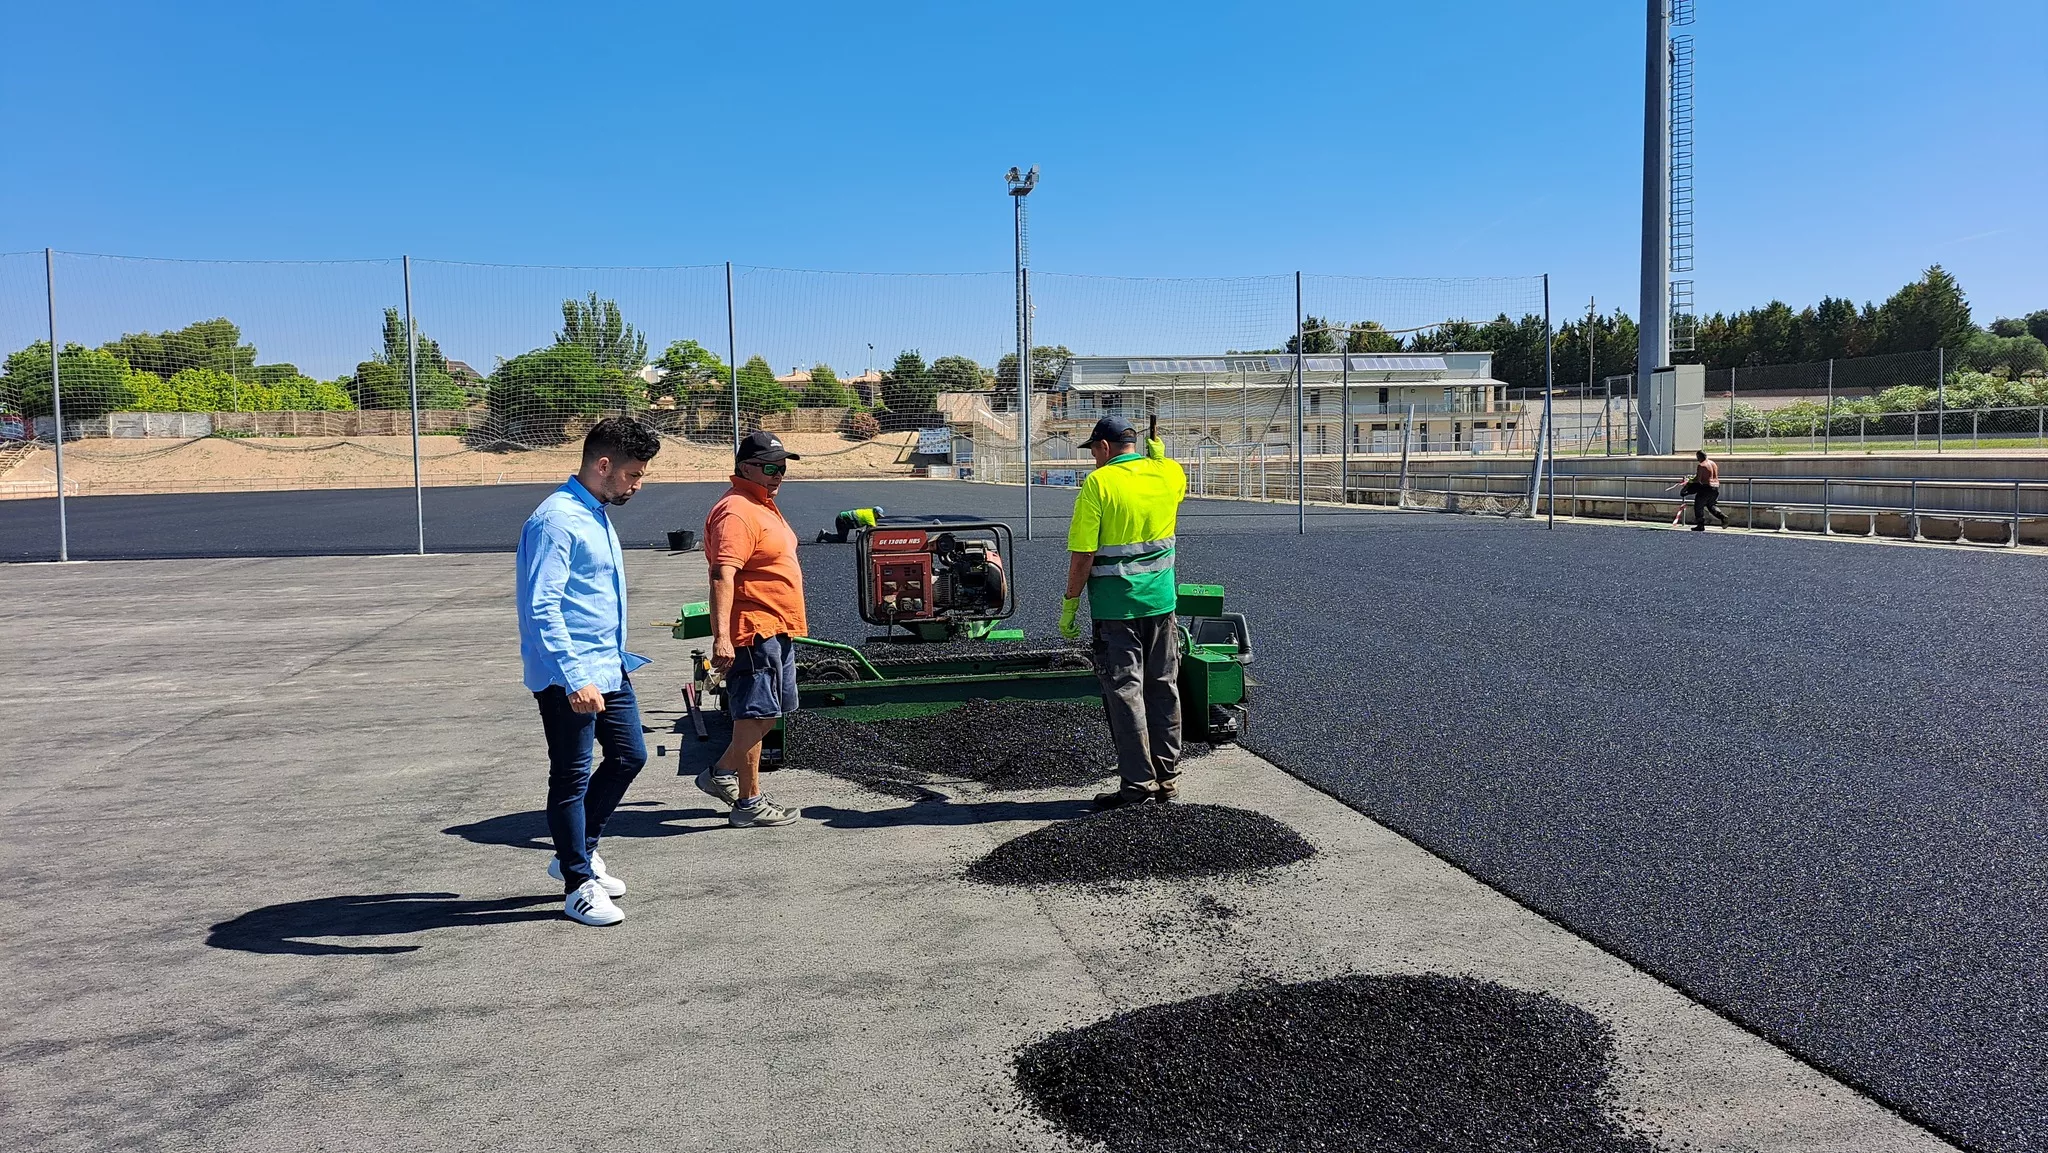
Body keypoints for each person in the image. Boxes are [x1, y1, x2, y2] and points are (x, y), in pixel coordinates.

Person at [516, 417, 661, 927]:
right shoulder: (556, 521)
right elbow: (543, 607)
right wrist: (575, 676)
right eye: (634, 474)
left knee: (629, 755)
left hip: (607, 665)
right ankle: (578, 884)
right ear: (604, 466)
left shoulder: (593, 511)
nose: (638, 484)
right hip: (569, 673)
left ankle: (577, 851)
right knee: (572, 776)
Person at [1060, 415, 1189, 808]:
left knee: (1125, 691)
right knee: (1164, 686)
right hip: (1162, 602)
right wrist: (1160, 458)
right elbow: (1174, 480)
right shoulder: (1168, 474)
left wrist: (1070, 603)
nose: (1093, 460)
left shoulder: (1098, 484)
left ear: (1102, 447)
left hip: (1118, 608)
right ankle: (1167, 780)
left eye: (1093, 453)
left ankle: (1137, 786)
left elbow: (1084, 553)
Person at [696, 430, 807, 828]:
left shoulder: (762, 503)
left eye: (783, 467)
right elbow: (722, 574)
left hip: (775, 627)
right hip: (753, 630)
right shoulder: (737, 511)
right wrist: (722, 637)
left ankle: (733, 781)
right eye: (771, 467)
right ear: (746, 468)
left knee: (766, 714)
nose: (779, 474)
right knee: (755, 714)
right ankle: (745, 799)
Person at [1691, 449, 1729, 530]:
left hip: (1706, 487)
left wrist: (1689, 480)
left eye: (1697, 457)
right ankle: (1722, 517)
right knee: (1711, 505)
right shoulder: (1713, 463)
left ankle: (1700, 525)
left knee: (1698, 505)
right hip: (1715, 487)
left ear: (1700, 457)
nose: (1697, 459)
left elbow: (1698, 479)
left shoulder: (1701, 465)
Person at [816, 505, 886, 544]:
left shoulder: (869, 512)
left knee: (842, 538)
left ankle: (824, 534)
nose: (879, 517)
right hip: (842, 520)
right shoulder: (870, 516)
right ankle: (824, 535)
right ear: (875, 512)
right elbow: (873, 529)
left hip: (845, 520)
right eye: (879, 515)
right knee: (841, 539)